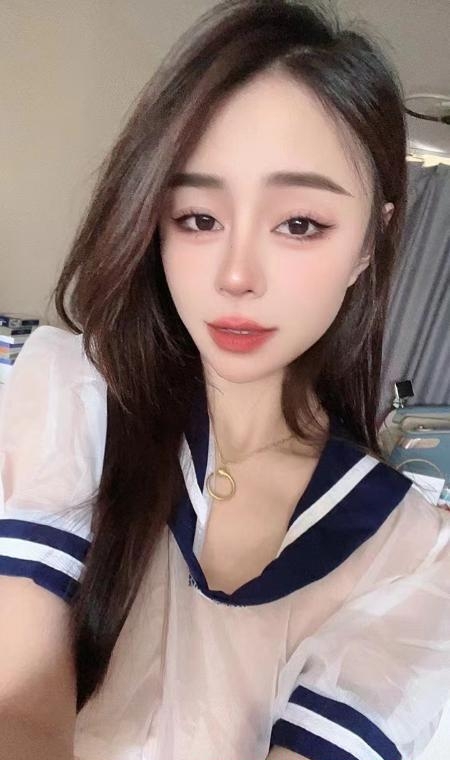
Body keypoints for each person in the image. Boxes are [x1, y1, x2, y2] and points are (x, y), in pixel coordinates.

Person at [0, 1, 449, 758]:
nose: (236, 275)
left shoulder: (409, 555)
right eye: (198, 219)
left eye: (299, 224)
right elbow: (19, 707)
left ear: (370, 244)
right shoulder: (75, 402)